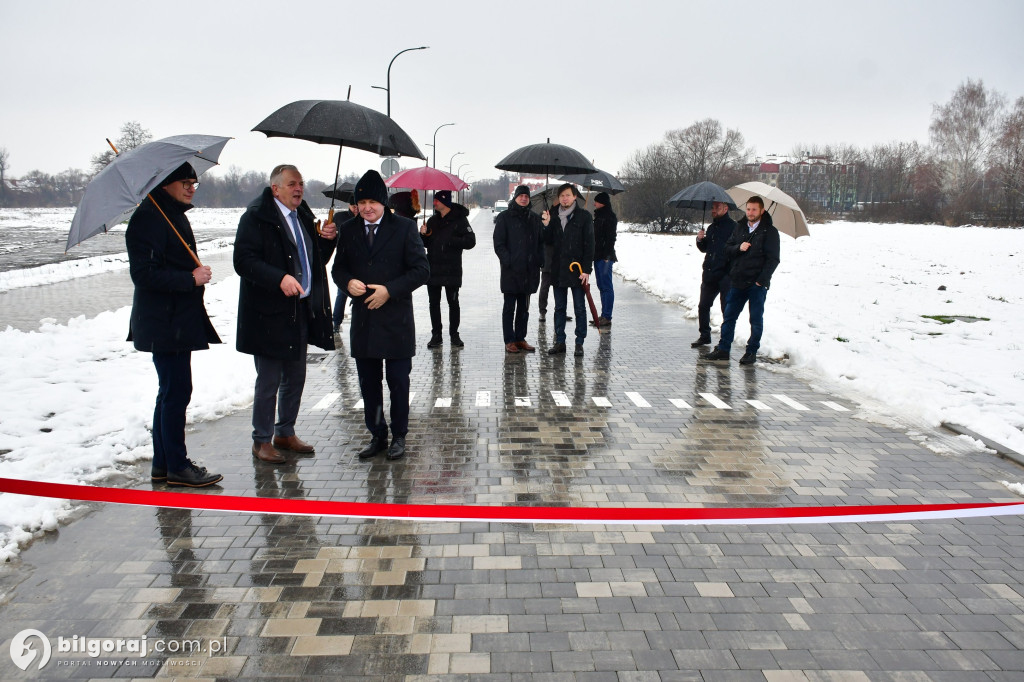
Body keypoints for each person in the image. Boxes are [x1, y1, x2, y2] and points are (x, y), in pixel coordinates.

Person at [125, 162, 222, 487]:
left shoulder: (171, 214)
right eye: (185, 181)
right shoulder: (149, 219)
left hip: (175, 321)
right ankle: (178, 466)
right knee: (176, 392)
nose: (192, 186)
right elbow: (143, 274)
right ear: (165, 183)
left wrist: (191, 278)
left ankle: (163, 464)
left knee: (170, 392)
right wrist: (189, 279)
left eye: (194, 181)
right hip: (163, 324)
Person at [234, 164, 337, 463]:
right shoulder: (256, 217)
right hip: (267, 314)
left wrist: (327, 241)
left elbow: (313, 259)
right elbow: (243, 260)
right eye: (292, 183)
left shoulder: (302, 215)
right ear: (275, 188)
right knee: (268, 380)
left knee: (295, 377)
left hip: (299, 311)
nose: (299, 188)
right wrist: (278, 277)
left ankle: (285, 431)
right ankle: (261, 440)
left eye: (301, 183)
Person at [332, 170, 429, 461]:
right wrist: (346, 282)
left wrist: (390, 290)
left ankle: (399, 435)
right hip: (364, 321)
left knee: (399, 381)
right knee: (368, 384)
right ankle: (377, 434)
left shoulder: (403, 228)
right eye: (362, 201)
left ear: (384, 202)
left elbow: (421, 270)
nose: (367, 207)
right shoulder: (348, 230)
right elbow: (339, 269)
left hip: (395, 320)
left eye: (373, 201)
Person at [704, 196, 781, 365]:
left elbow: (773, 259)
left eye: (754, 209)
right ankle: (723, 349)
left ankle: (751, 351)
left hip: (756, 285)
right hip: (738, 281)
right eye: (748, 209)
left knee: (755, 319)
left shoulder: (770, 232)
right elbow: (727, 249)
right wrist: (739, 247)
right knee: (729, 317)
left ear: (762, 211)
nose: (750, 213)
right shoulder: (739, 228)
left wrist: (761, 280)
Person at [541, 183, 594, 357]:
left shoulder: (584, 217)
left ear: (574, 197)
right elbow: (547, 240)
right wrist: (547, 224)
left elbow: (589, 245)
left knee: (579, 307)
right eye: (562, 195)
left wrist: (586, 269)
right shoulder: (553, 216)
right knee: (559, 308)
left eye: (568, 195)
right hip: (558, 269)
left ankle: (579, 342)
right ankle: (560, 341)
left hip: (577, 270)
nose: (564, 198)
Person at [420, 189, 476, 348]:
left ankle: (454, 335)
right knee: (434, 303)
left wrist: (451, 241)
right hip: (433, 269)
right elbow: (425, 244)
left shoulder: (460, 220)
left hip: (452, 269)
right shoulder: (432, 220)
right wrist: (423, 234)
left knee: (453, 303)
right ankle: (436, 335)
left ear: (444, 202)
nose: (434, 203)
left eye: (436, 200)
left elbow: (471, 241)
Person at [493, 185, 544, 353]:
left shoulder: (535, 219)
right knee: (509, 307)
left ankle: (520, 338)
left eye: (526, 196)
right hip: (511, 271)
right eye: (521, 195)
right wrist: (508, 260)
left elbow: (541, 242)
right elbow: (499, 243)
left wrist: (538, 261)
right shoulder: (504, 217)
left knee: (524, 308)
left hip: (529, 271)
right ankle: (509, 340)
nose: (524, 198)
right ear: (515, 197)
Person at [692, 201, 738, 347]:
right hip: (710, 273)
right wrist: (700, 239)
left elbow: (736, 250)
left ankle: (724, 342)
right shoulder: (711, 228)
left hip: (726, 275)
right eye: (713, 207)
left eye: (717, 207)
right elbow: (705, 248)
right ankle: (704, 335)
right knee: (703, 306)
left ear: (726, 208)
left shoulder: (734, 227)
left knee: (726, 310)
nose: (713, 210)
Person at [591, 192, 618, 328]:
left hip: (605, 258)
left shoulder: (609, 217)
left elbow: (611, 238)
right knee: (601, 286)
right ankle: (603, 315)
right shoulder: (598, 216)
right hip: (597, 256)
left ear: (602, 202)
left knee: (606, 286)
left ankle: (607, 316)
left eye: (596, 201)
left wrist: (607, 255)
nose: (594, 203)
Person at [332, 201, 359, 333]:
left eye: (357, 206)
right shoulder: (340, 217)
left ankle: (358, 320)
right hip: (345, 260)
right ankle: (336, 322)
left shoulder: (364, 217)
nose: (356, 209)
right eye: (353, 206)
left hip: (359, 261)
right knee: (342, 293)